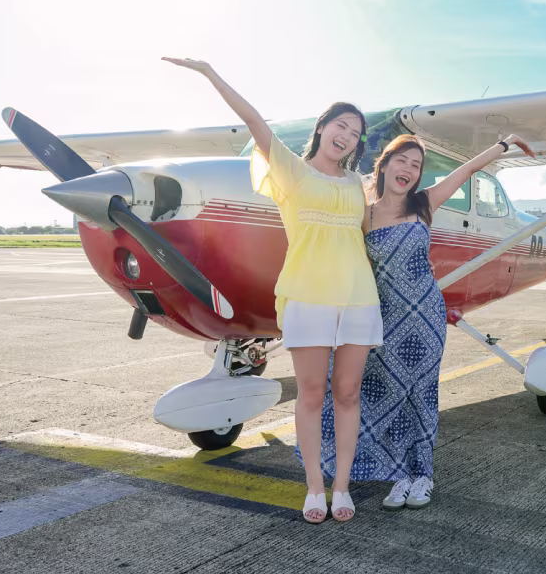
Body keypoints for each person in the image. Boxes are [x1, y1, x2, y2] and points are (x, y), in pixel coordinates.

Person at [162, 57, 382, 524]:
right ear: (322, 127)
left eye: (355, 133)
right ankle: (315, 487)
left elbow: (370, 234)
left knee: (347, 394)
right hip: (307, 295)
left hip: (358, 297)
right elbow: (254, 121)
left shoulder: (356, 184)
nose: (347, 136)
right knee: (311, 394)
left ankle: (342, 486)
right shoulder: (291, 170)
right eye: (341, 125)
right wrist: (210, 73)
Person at [332, 132, 535, 510]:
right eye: (402, 160)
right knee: (390, 395)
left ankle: (423, 475)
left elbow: (467, 170)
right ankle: (399, 475)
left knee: (422, 394)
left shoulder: (424, 203)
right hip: (386, 318)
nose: (408, 169)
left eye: (416, 165)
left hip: (425, 316)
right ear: (384, 164)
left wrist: (503, 145)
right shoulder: (364, 214)